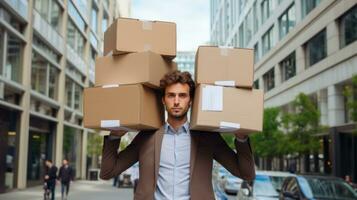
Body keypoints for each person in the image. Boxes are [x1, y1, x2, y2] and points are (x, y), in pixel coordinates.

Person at [100, 70, 255, 199]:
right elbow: (107, 172)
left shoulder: (207, 137)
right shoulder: (147, 136)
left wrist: (241, 138)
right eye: (171, 95)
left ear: (190, 101)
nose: (176, 101)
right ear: (163, 100)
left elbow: (246, 174)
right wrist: (115, 136)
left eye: (182, 95)